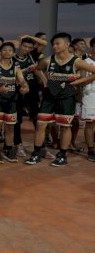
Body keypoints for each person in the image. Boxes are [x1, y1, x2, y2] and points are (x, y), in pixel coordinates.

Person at [25, 33, 95, 167]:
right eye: (53, 44)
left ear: (67, 44)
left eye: (58, 43)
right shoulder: (48, 60)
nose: (55, 46)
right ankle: (36, 153)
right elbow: (37, 69)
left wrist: (78, 82)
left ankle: (62, 155)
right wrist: (45, 81)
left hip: (67, 98)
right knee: (40, 124)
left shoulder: (76, 61)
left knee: (64, 126)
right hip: (49, 97)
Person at [0, 42, 29, 163]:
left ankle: (8, 150)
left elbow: (22, 80)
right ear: (1, 52)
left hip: (12, 101)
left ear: (13, 53)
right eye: (4, 50)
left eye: (10, 50)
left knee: (10, 127)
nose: (7, 52)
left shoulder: (16, 68)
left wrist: (25, 87)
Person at [12, 37, 39, 156]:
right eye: (25, 46)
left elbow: (44, 43)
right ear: (20, 45)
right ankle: (18, 144)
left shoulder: (32, 56)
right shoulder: (12, 58)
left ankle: (40, 145)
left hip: (32, 91)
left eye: (30, 47)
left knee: (37, 118)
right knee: (17, 120)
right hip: (17, 92)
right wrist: (26, 70)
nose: (27, 49)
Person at [82, 38, 95, 162]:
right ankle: (91, 150)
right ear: (92, 46)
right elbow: (81, 80)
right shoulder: (85, 62)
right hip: (90, 96)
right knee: (90, 124)